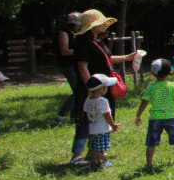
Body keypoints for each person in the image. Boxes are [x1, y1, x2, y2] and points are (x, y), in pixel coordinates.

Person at [72, 9, 137, 166]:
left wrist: (128, 57)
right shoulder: (82, 44)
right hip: (92, 89)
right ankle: (76, 155)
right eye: (100, 23)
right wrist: (91, 87)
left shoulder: (97, 41)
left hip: (103, 88)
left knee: (101, 120)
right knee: (86, 121)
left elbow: (108, 59)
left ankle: (93, 151)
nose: (103, 25)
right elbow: (83, 67)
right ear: (93, 26)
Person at [136, 58, 174, 169]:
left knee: (151, 142)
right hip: (171, 117)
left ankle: (149, 164)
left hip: (155, 119)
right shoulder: (173, 86)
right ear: (170, 72)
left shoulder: (151, 87)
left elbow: (144, 103)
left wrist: (138, 116)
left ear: (153, 73)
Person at [83, 73, 120, 169]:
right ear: (102, 89)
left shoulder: (88, 100)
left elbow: (86, 111)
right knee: (101, 149)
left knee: (93, 147)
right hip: (102, 130)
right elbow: (107, 115)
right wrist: (113, 125)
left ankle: (94, 162)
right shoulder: (102, 101)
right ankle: (101, 163)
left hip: (92, 129)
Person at [54, 12, 82, 126]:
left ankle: (75, 116)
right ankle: (60, 116)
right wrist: (82, 51)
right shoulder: (64, 34)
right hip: (67, 66)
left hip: (75, 65)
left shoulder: (75, 34)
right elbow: (64, 51)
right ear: (74, 24)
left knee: (79, 90)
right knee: (78, 91)